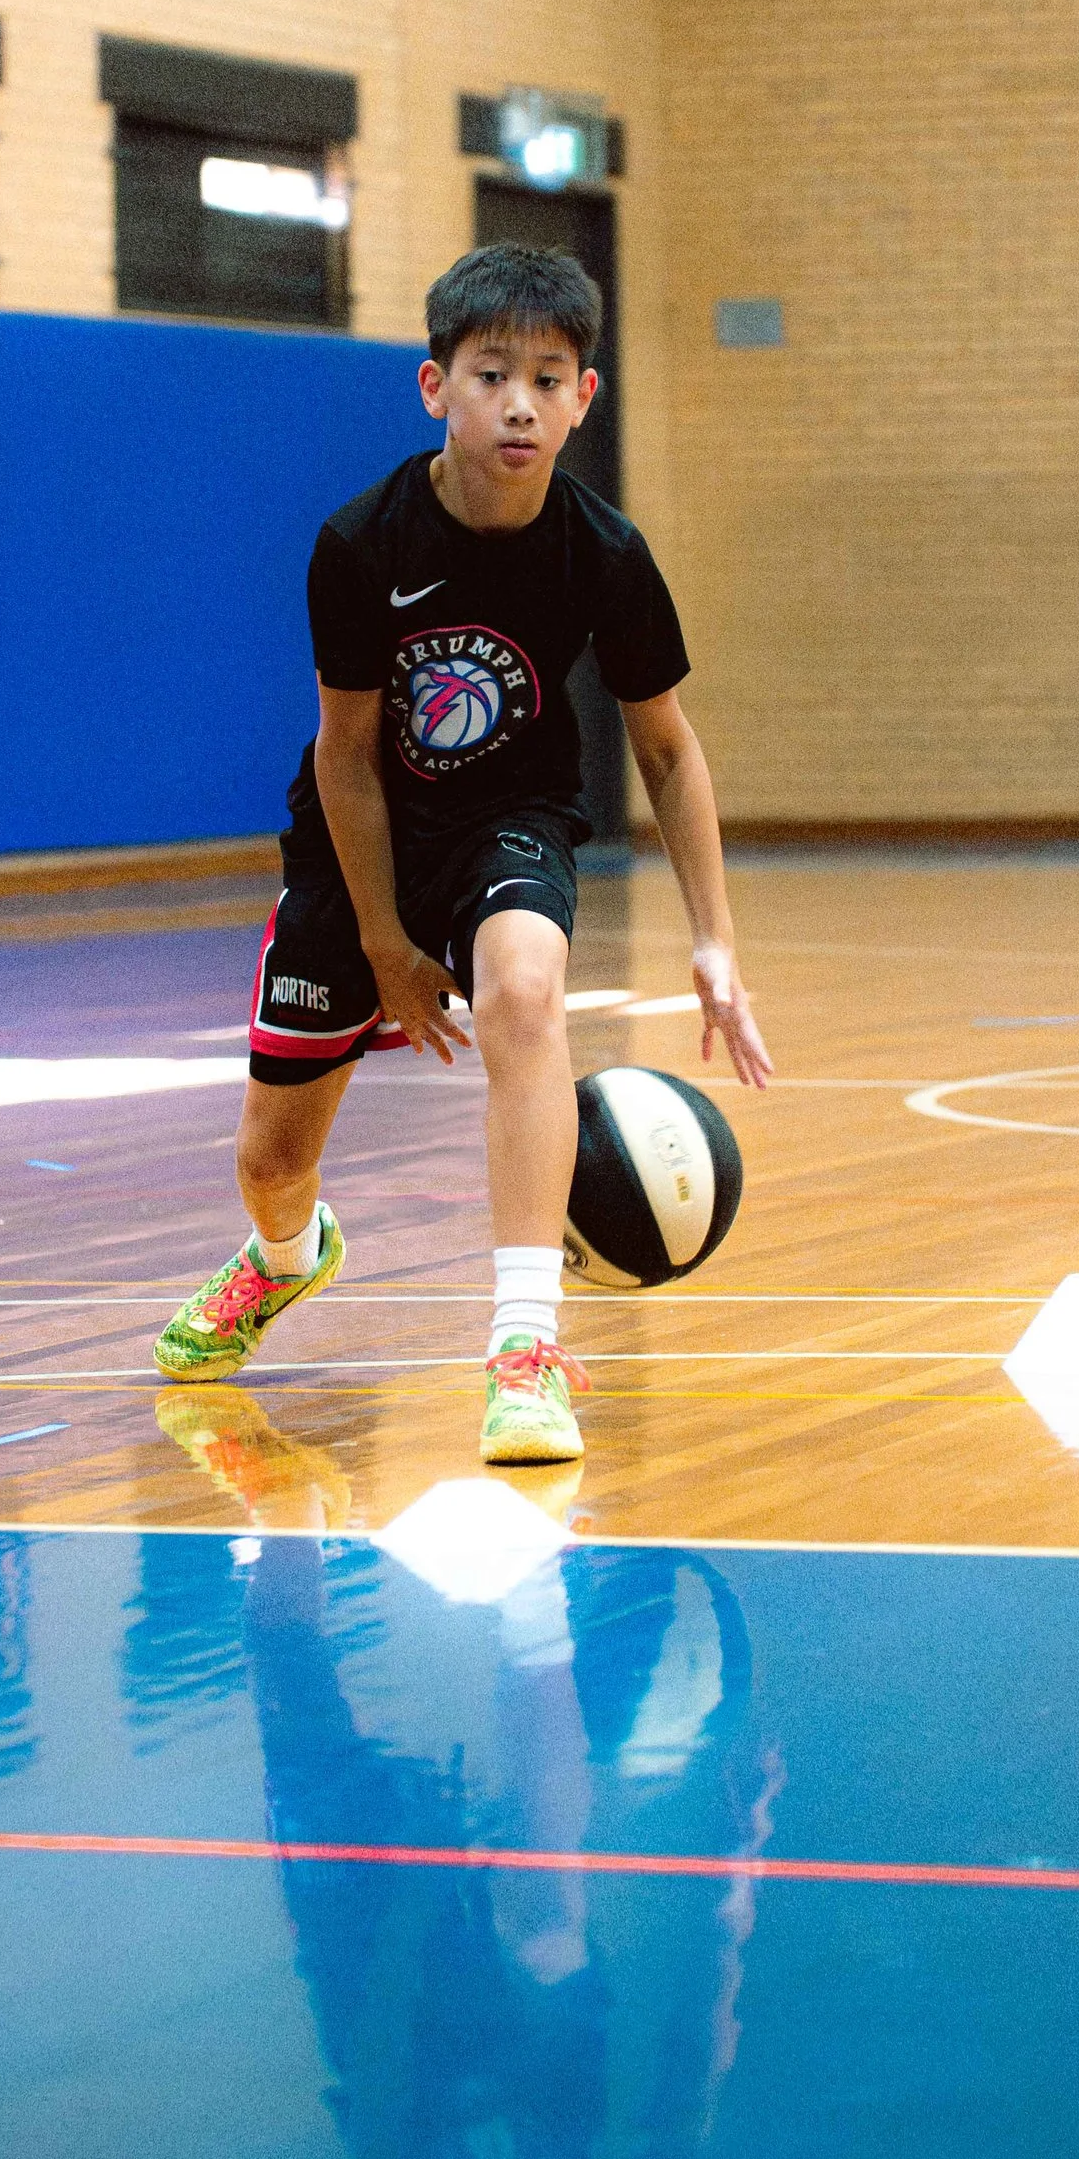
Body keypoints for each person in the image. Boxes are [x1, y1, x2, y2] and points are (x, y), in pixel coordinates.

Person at [155, 239, 772, 1465]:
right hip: (359, 842)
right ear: (435, 386)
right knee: (270, 1162)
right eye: (492, 375)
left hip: (512, 825)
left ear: (583, 399)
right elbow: (345, 754)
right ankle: (287, 1260)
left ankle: (524, 1349)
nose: (520, 403)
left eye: (549, 379)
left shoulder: (606, 554)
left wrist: (713, 941)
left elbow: (667, 752)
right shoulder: (361, 542)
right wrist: (382, 940)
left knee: (526, 996)